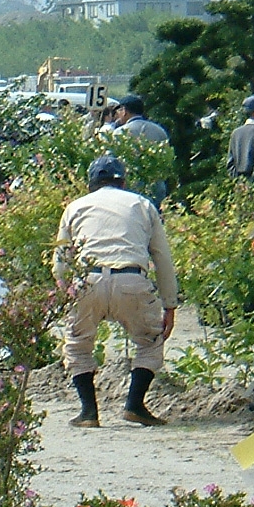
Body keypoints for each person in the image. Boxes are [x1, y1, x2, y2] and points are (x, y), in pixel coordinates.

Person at [52, 154, 178, 428]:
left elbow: (61, 259)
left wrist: (65, 295)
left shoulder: (75, 207)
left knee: (78, 344)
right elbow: (162, 257)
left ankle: (88, 412)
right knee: (149, 342)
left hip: (88, 280)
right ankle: (134, 405)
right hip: (131, 278)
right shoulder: (143, 204)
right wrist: (170, 304)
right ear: (123, 181)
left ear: (92, 183)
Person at [113, 93, 170, 207]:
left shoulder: (120, 133)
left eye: (119, 111)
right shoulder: (159, 131)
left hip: (131, 187)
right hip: (157, 186)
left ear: (124, 111)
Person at [227, 95, 254, 180]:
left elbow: (230, 163)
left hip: (239, 185)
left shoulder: (235, 133)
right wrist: (253, 181)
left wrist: (238, 182)